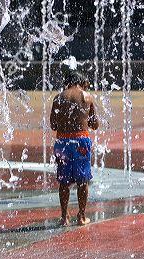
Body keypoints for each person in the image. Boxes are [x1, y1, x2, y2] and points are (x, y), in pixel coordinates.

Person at [50, 71, 99, 226]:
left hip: (62, 141)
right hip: (81, 142)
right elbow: (94, 124)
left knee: (64, 181)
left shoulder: (58, 98)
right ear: (80, 81)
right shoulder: (87, 97)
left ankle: (64, 217)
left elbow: (53, 125)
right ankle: (81, 216)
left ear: (67, 81)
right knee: (82, 181)